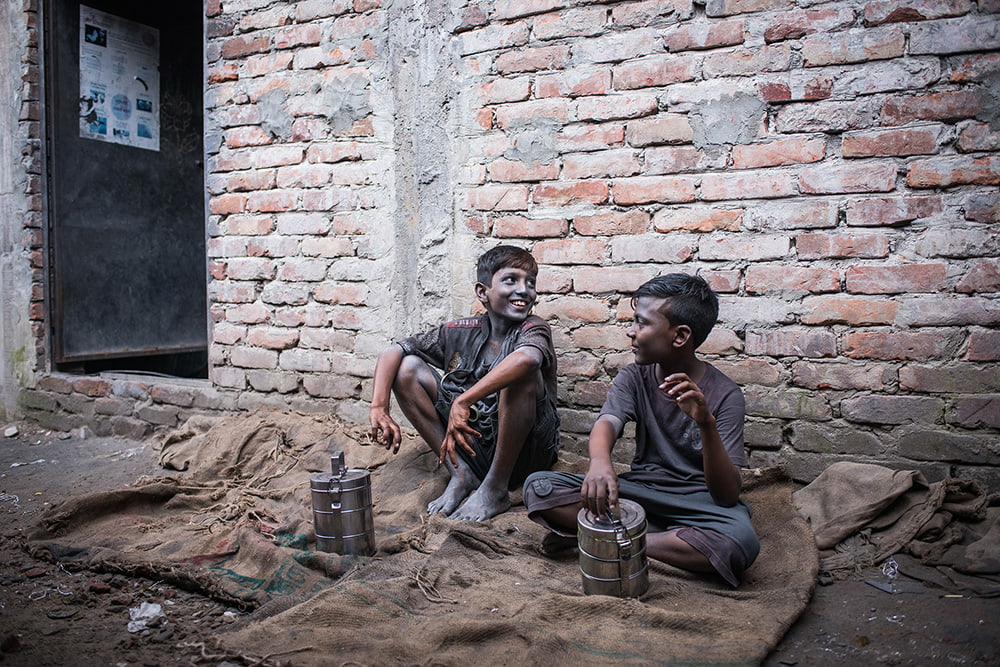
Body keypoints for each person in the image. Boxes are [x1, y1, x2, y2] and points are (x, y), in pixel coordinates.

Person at [523, 273, 759, 587]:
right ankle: (659, 540)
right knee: (539, 487)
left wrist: (706, 424)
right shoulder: (634, 377)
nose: (631, 332)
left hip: (697, 504)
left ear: (679, 336)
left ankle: (603, 537)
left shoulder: (726, 395)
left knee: (739, 543)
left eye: (642, 323)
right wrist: (599, 463)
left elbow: (727, 495)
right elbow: (608, 422)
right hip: (640, 493)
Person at [369, 245, 560, 521]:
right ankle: (460, 473)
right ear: (483, 292)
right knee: (407, 368)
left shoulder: (534, 327)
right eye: (511, 280)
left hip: (527, 456)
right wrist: (379, 406)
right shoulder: (460, 331)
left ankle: (495, 489)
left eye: (530, 283)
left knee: (520, 374)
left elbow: (529, 359)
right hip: (474, 446)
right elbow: (393, 351)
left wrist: (464, 399)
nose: (524, 290)